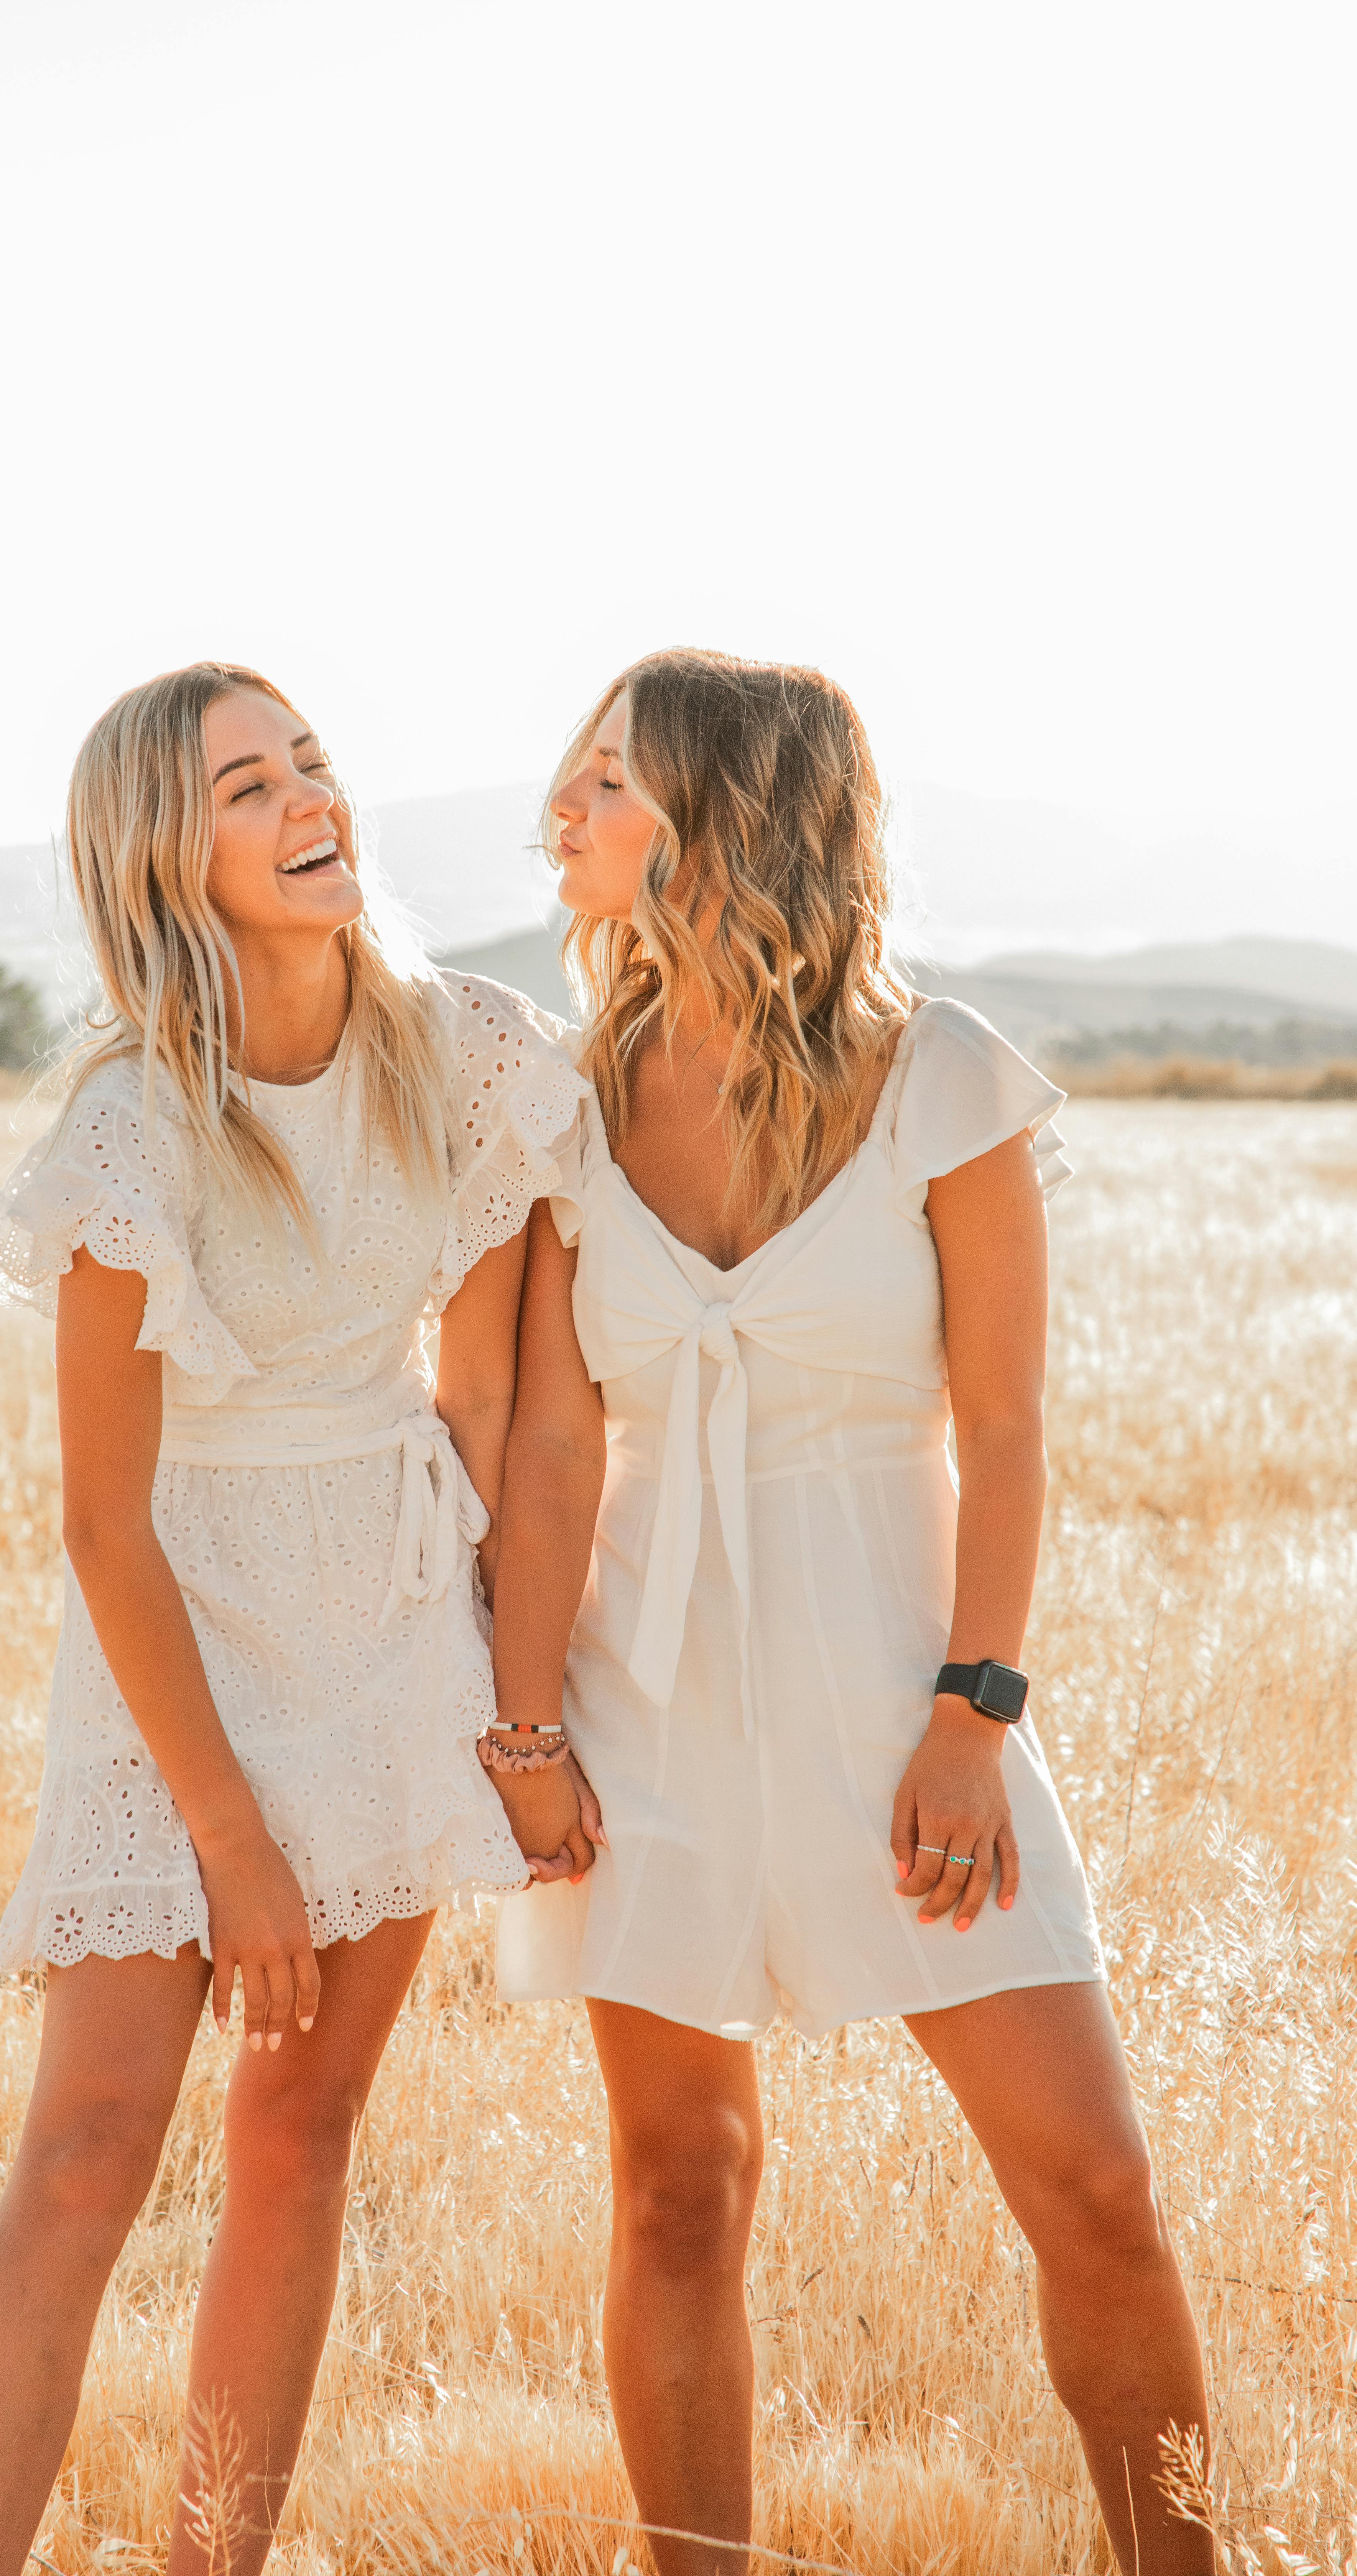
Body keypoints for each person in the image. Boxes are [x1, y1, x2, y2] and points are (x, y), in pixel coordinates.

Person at [486, 650, 1212, 2576]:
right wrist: (525, 1732)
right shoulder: (564, 1109)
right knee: (676, 2186)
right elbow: (553, 1456)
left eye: (609, 783)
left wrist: (974, 1713)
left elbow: (1003, 1423)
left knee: (1096, 2186)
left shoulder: (939, 1078)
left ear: (729, 813)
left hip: (902, 1686)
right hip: (640, 1692)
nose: (563, 811)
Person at [0, 660, 586, 2574]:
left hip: (388, 1619)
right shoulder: (133, 1128)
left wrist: (515, 1723)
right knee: (87, 2149)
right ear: (165, 855)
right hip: (178, 1643)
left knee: (299, 2143)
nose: (310, 800)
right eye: (246, 786)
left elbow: (489, 1409)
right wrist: (227, 1837)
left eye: (310, 763)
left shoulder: (459, 1051)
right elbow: (103, 1523)